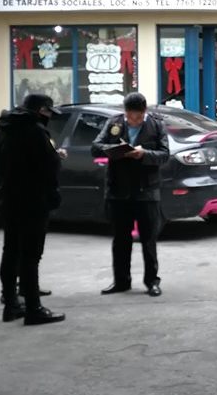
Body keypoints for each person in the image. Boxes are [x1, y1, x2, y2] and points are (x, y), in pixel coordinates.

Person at [0, 93, 67, 325]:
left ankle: (11, 304)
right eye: (47, 113)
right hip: (33, 201)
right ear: (40, 110)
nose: (48, 118)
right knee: (31, 255)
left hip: (8, 198)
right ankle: (34, 309)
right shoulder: (35, 131)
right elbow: (48, 166)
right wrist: (56, 158)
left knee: (11, 250)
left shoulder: (1, 129)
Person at [92, 92, 170, 297]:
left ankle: (152, 281)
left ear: (144, 112)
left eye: (137, 117)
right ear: (124, 112)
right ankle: (121, 281)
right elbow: (96, 147)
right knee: (120, 240)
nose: (132, 120)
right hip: (119, 191)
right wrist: (115, 149)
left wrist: (144, 154)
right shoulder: (113, 122)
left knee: (148, 239)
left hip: (146, 191)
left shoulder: (156, 125)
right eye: (129, 116)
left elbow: (164, 155)